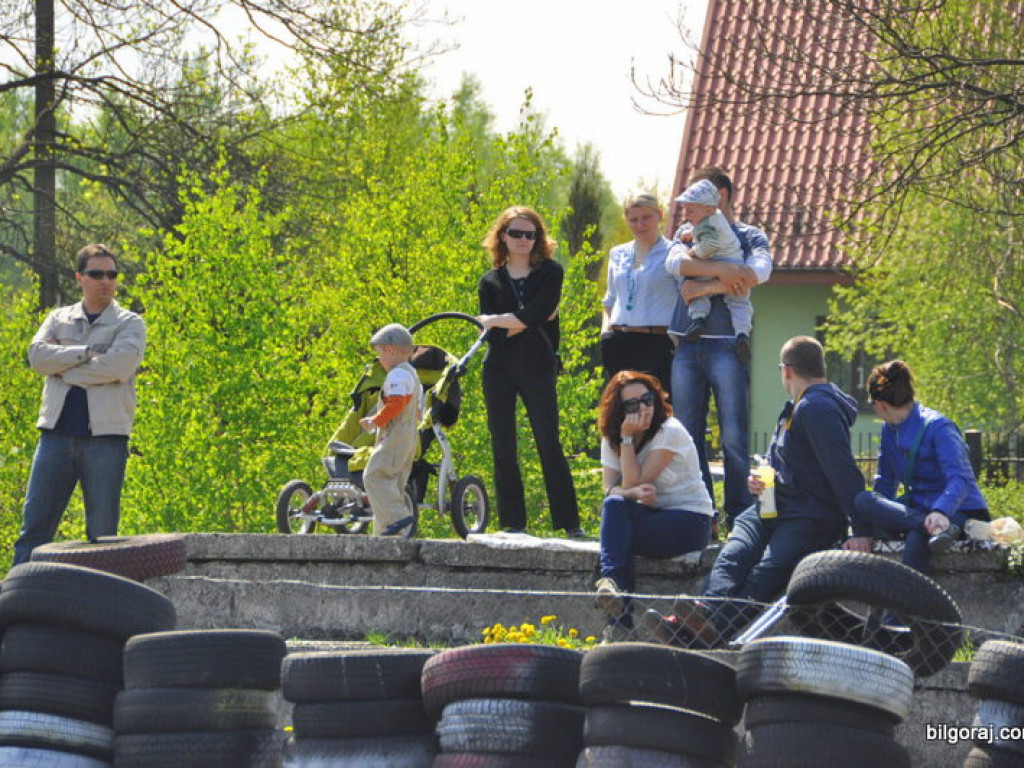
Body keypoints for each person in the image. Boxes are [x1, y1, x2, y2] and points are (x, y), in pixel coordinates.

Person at [641, 336, 866, 648]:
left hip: (808, 516)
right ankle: (697, 617)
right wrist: (758, 480)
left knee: (764, 573)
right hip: (770, 507)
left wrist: (861, 529)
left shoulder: (817, 408)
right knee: (732, 556)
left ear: (785, 371)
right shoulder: (796, 406)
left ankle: (706, 631)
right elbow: (787, 462)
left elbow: (843, 472)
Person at [12, 244, 147, 566]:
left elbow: (118, 368)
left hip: (106, 441)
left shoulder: (130, 323)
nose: (106, 281)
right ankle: (12, 608)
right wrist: (89, 352)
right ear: (79, 278)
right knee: (33, 531)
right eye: (96, 273)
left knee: (102, 538)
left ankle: (97, 610)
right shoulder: (58, 318)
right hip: (55, 437)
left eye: (112, 274)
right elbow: (37, 358)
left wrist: (65, 367)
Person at [666, 167, 773, 529]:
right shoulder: (687, 232)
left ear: (721, 195)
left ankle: (740, 516)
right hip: (686, 345)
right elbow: (673, 262)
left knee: (733, 435)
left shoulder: (749, 235)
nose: (689, 209)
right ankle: (702, 511)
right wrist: (722, 273)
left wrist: (704, 287)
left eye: (697, 200)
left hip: (728, 345)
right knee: (686, 432)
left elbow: (757, 273)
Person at [477, 206, 584, 539]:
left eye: (530, 234)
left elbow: (538, 313)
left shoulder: (551, 272)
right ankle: (513, 522)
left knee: (548, 440)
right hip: (498, 368)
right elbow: (492, 333)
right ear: (502, 237)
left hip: (537, 365)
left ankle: (570, 523)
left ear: (538, 238)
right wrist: (517, 320)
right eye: (516, 233)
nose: (523, 240)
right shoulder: (489, 281)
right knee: (503, 442)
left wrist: (502, 320)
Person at [594, 371, 714, 641]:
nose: (643, 408)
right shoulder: (611, 437)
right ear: (619, 410)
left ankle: (618, 624)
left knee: (614, 540)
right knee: (614, 507)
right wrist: (632, 491)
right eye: (632, 405)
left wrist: (627, 440)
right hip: (651, 516)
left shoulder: (669, 431)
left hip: (690, 521)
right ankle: (611, 588)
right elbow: (610, 488)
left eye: (647, 400)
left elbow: (634, 478)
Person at [852, 360, 989, 574]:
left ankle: (903, 604)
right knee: (863, 501)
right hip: (920, 513)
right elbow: (885, 482)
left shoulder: (939, 427)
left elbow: (960, 479)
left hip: (958, 510)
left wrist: (940, 511)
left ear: (880, 404)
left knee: (919, 536)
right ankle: (926, 525)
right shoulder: (889, 431)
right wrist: (875, 519)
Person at [599, 194, 680, 395]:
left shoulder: (674, 252)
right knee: (620, 412)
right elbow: (610, 298)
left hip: (657, 343)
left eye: (646, 218)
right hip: (618, 341)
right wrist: (605, 332)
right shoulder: (617, 253)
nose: (640, 224)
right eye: (633, 219)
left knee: (657, 412)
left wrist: (676, 337)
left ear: (659, 215)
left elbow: (686, 297)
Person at [359, 323, 424, 537]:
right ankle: (386, 532)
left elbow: (396, 403)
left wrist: (375, 421)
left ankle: (397, 517)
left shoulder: (397, 375)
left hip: (397, 434)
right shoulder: (413, 375)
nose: (379, 360)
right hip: (408, 436)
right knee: (393, 483)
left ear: (389, 349)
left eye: (380, 354)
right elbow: (416, 411)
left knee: (374, 475)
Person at [672, 179, 751, 347]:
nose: (687, 215)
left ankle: (698, 319)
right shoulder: (715, 217)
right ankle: (742, 334)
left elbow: (709, 246)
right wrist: (691, 232)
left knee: (697, 288)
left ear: (708, 209)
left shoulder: (707, 223)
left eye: (691, 210)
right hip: (735, 261)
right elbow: (703, 228)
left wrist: (692, 252)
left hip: (720, 260)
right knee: (739, 302)